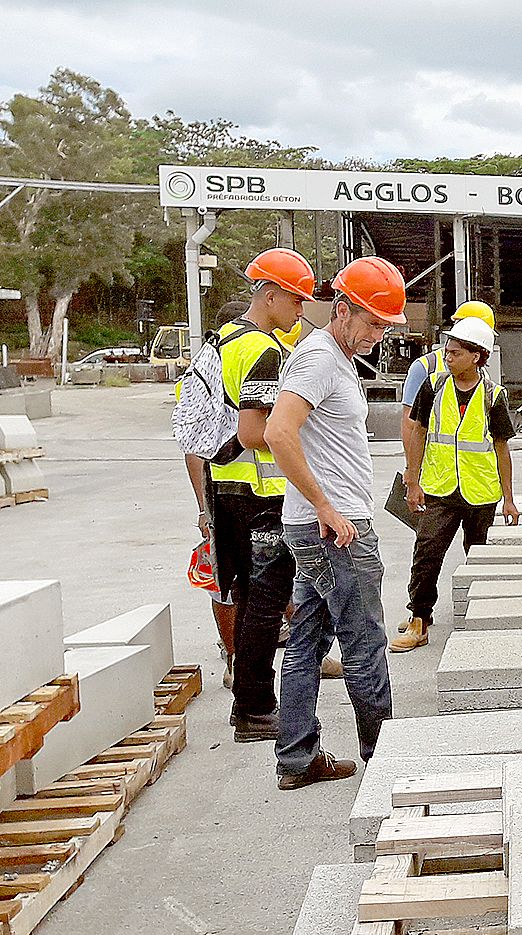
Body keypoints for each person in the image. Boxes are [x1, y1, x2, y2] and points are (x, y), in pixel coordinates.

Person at [265, 256, 403, 790]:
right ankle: (384, 758)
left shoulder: (336, 358)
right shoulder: (318, 359)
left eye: (384, 327)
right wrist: (325, 505)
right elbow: (278, 433)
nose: (377, 335)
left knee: (306, 640)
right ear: (341, 309)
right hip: (334, 529)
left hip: (321, 526)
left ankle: (297, 758)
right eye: (371, 322)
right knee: (365, 641)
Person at [210, 249, 313, 742]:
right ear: (269, 295)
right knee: (264, 605)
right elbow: (255, 432)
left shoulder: (223, 339)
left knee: (253, 599)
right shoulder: (263, 350)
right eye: (295, 301)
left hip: (228, 487)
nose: (300, 310)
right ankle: (254, 707)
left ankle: (246, 706)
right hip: (262, 494)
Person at [391, 316, 521, 652]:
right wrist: (413, 479)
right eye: (446, 353)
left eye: (454, 353)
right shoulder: (433, 387)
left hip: (480, 491)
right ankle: (419, 619)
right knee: (427, 552)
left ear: (476, 356)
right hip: (440, 488)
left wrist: (509, 499)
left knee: (477, 556)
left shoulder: (493, 396)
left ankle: (478, 616)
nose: (447, 358)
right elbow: (418, 432)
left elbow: (501, 447)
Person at [187, 298, 249, 689]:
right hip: (225, 499)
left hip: (259, 496)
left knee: (276, 578)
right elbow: (194, 449)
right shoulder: (206, 378)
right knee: (225, 582)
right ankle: (233, 660)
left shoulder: (247, 370)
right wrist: (205, 511)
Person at [399, 300, 494, 447]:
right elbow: (409, 423)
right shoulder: (425, 367)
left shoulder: (482, 376)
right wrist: (412, 467)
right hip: (434, 465)